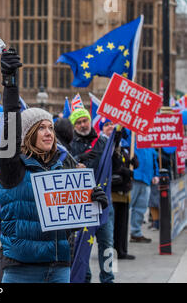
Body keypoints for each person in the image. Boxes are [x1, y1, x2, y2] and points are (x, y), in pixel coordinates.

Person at [0, 48, 108, 283]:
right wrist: (10, 83)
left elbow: (71, 223)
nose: (49, 133)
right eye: (41, 128)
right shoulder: (12, 167)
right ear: (27, 134)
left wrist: (93, 202)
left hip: (59, 268)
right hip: (21, 271)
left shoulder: (64, 164)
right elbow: (10, 123)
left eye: (50, 127)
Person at [69, 109, 115, 283]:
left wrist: (117, 147)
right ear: (74, 126)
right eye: (78, 122)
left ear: (90, 121)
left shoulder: (103, 141)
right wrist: (79, 158)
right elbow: (64, 164)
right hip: (82, 204)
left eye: (84, 121)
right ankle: (84, 277)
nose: (82, 125)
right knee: (82, 246)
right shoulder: (71, 143)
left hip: (103, 202)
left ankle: (109, 278)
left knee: (108, 246)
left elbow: (114, 165)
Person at [111, 129, 138, 260]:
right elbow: (114, 166)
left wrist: (134, 162)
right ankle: (114, 250)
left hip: (125, 191)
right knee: (114, 224)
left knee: (123, 224)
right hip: (114, 192)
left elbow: (133, 165)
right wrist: (126, 171)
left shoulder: (127, 149)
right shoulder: (111, 149)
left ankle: (122, 250)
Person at [130, 146, 159, 242]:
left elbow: (155, 159)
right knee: (127, 207)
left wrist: (156, 174)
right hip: (133, 178)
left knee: (141, 208)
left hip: (147, 178)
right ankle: (120, 234)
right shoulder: (131, 136)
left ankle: (136, 233)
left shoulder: (148, 142)